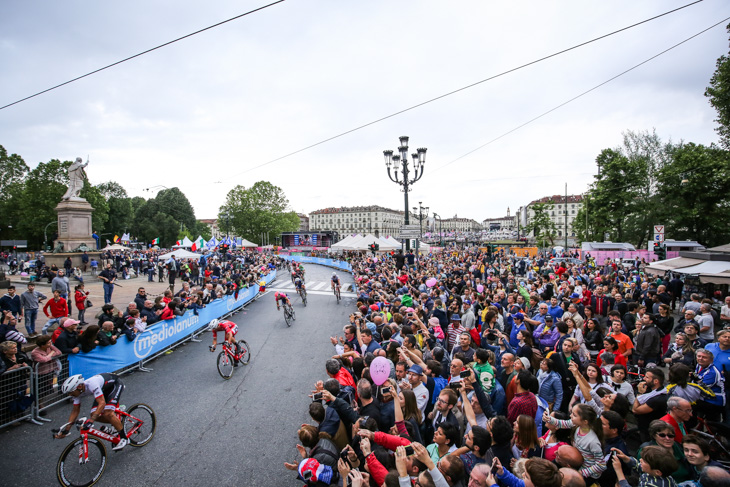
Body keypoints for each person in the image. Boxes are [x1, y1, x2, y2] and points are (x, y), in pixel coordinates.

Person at [56, 374, 128, 451]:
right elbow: (75, 411)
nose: (70, 395)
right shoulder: (77, 392)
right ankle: (116, 422)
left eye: (71, 392)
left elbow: (102, 403)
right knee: (94, 415)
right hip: (104, 388)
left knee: (108, 413)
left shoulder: (92, 384)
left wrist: (90, 422)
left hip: (115, 385)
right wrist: (66, 430)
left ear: (79, 387)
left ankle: (124, 438)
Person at [612, 444, 680, 487]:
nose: (640, 460)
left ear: (658, 472)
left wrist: (619, 471)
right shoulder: (653, 472)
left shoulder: (653, 485)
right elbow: (639, 467)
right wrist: (626, 459)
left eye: (644, 461)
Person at [693, 348, 726, 422]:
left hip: (714, 402)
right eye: (699, 356)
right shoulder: (699, 365)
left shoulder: (712, 372)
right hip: (704, 398)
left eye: (704, 357)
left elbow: (699, 388)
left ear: (711, 360)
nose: (700, 359)